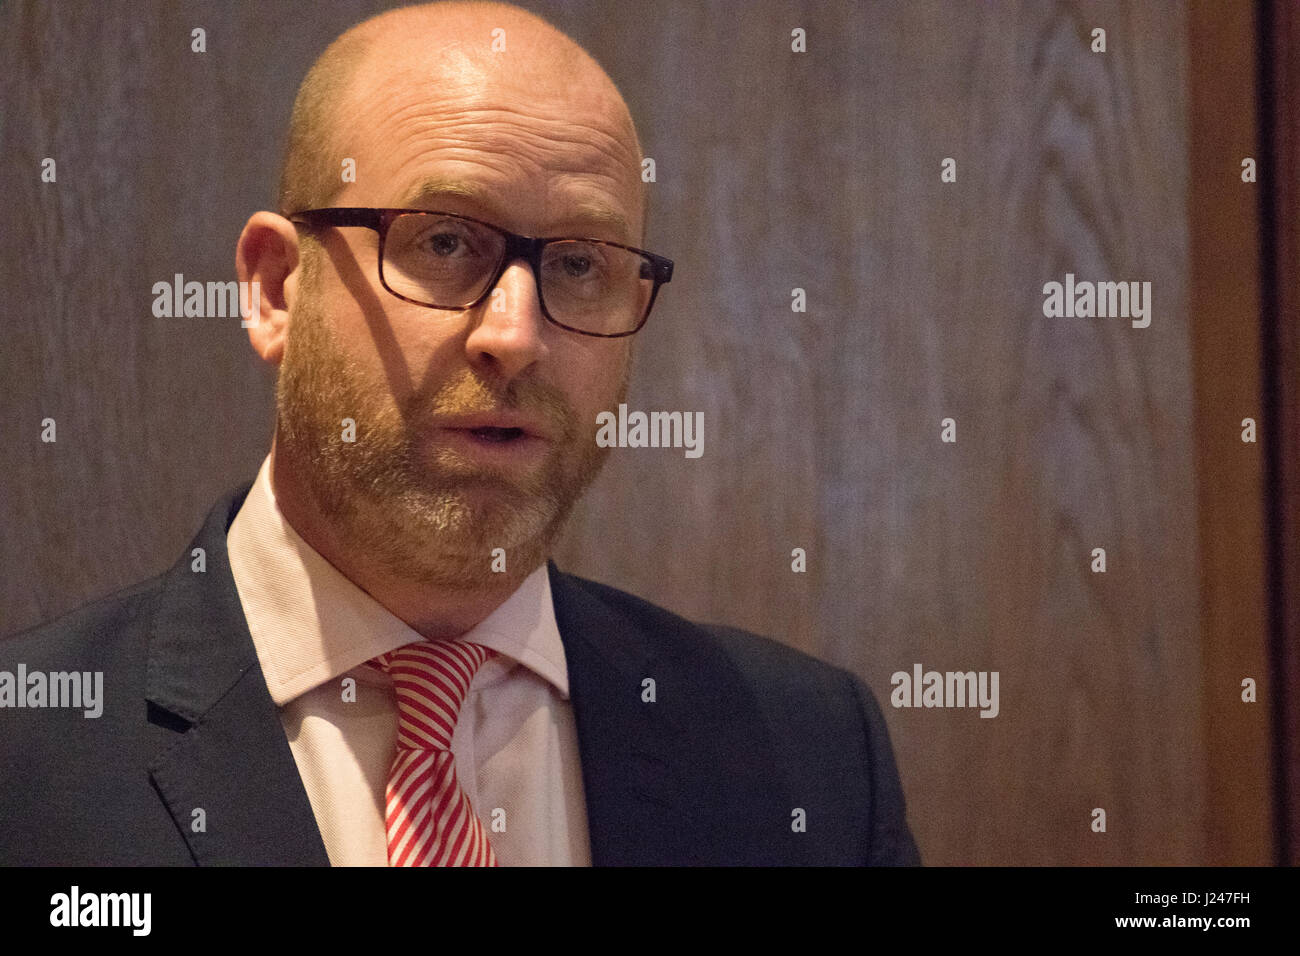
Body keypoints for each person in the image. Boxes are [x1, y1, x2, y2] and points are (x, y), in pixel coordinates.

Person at [0, 0, 920, 866]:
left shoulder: (810, 759)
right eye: (445, 243)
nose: (516, 335)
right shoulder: (30, 755)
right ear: (278, 288)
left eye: (577, 263)